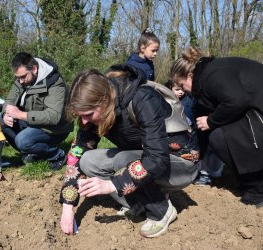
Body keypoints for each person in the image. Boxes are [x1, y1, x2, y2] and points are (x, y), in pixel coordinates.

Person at [59, 65, 197, 238]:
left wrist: (113, 184)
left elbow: (156, 158)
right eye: (80, 116)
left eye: (88, 114)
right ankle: (139, 205)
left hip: (180, 162)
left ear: (103, 101)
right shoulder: (97, 111)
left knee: (122, 159)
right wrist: (68, 205)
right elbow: (77, 154)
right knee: (88, 161)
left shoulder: (142, 98)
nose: (84, 121)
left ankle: (161, 211)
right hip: (143, 157)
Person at [170, 47, 263, 207]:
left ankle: (258, 187)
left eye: (181, 84)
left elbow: (237, 101)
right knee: (215, 133)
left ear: (190, 76)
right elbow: (201, 128)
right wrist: (193, 156)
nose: (182, 89)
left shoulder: (213, 75)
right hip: (254, 112)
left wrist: (211, 121)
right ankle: (250, 178)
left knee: (219, 136)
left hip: (258, 113)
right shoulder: (202, 88)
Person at [0, 52, 73, 170]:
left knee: (23, 140)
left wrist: (20, 114)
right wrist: (5, 114)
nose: (20, 81)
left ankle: (56, 155)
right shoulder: (22, 78)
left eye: (23, 77)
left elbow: (53, 117)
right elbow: (9, 99)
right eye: (18, 78)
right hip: (32, 121)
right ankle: (30, 153)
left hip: (55, 129)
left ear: (34, 69)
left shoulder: (55, 83)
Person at [165, 80, 224, 186]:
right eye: (177, 89)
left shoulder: (188, 100)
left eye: (182, 89)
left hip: (193, 130)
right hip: (176, 132)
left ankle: (204, 174)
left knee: (198, 151)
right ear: (170, 89)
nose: (181, 92)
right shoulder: (167, 102)